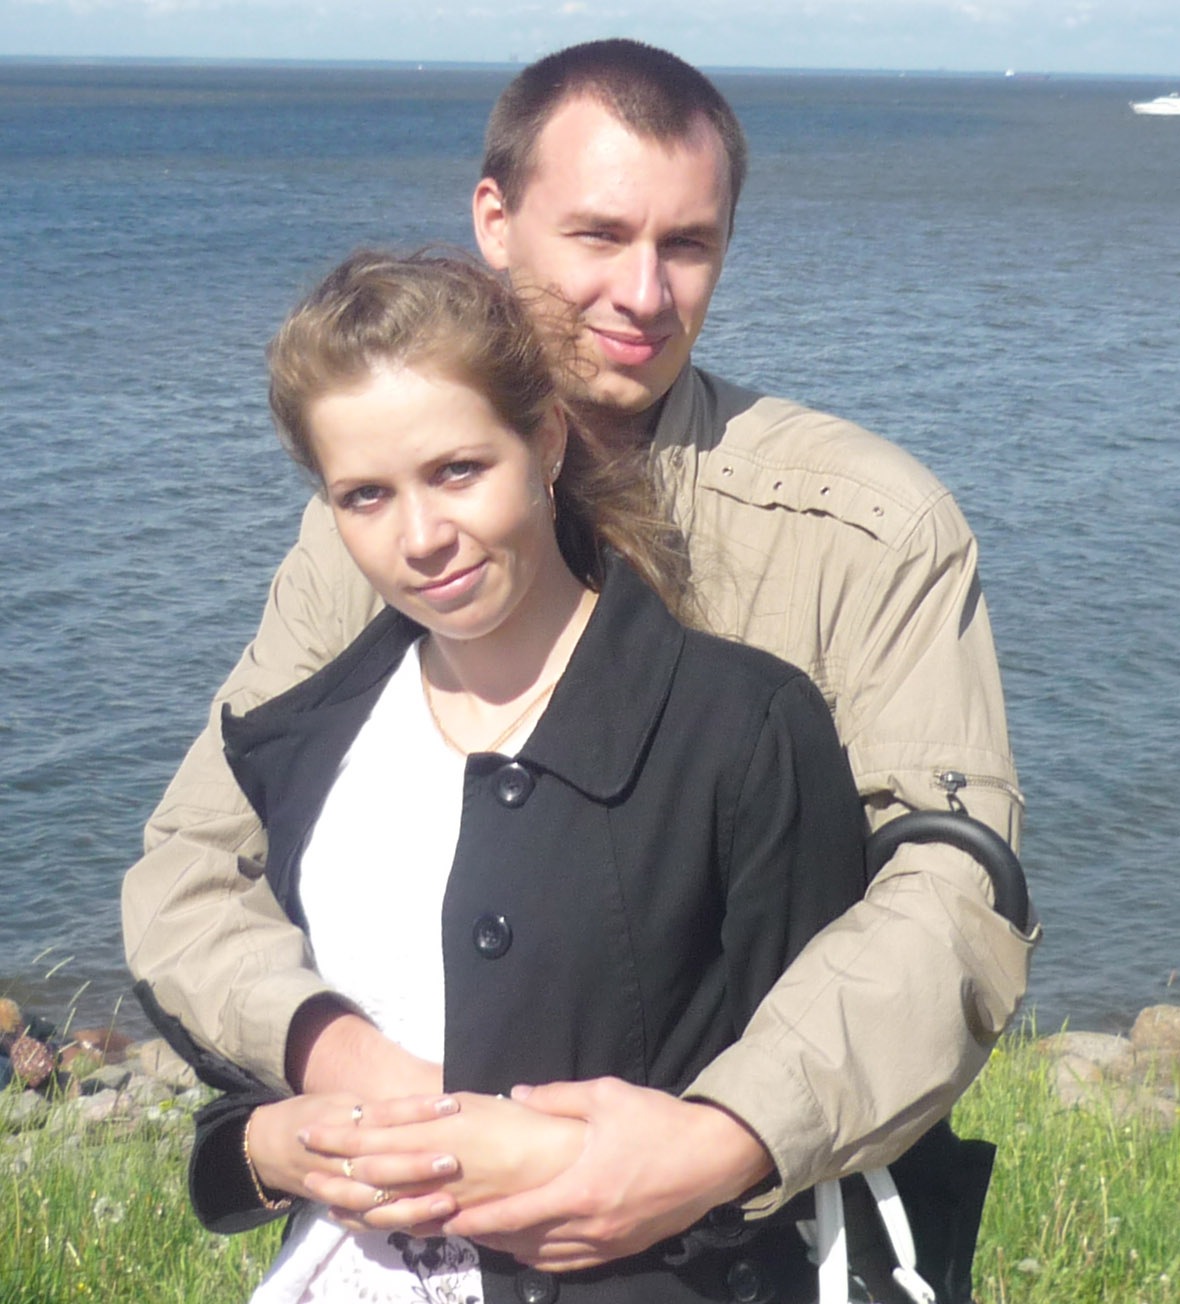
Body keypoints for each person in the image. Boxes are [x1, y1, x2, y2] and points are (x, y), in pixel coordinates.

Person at [123, 37, 1036, 1281]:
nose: (643, 293)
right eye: (598, 235)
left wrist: (722, 1137)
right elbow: (195, 861)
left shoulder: (864, 526)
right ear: (494, 222)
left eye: (688, 244)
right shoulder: (372, 538)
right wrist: (336, 1059)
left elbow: (952, 892)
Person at [180, 247, 871, 1303]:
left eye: (458, 471)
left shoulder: (741, 729)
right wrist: (266, 1148)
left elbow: (814, 1090)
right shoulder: (312, 736)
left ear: (545, 440)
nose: (422, 538)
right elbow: (255, 1060)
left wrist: (630, 1165)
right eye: (365, 496)